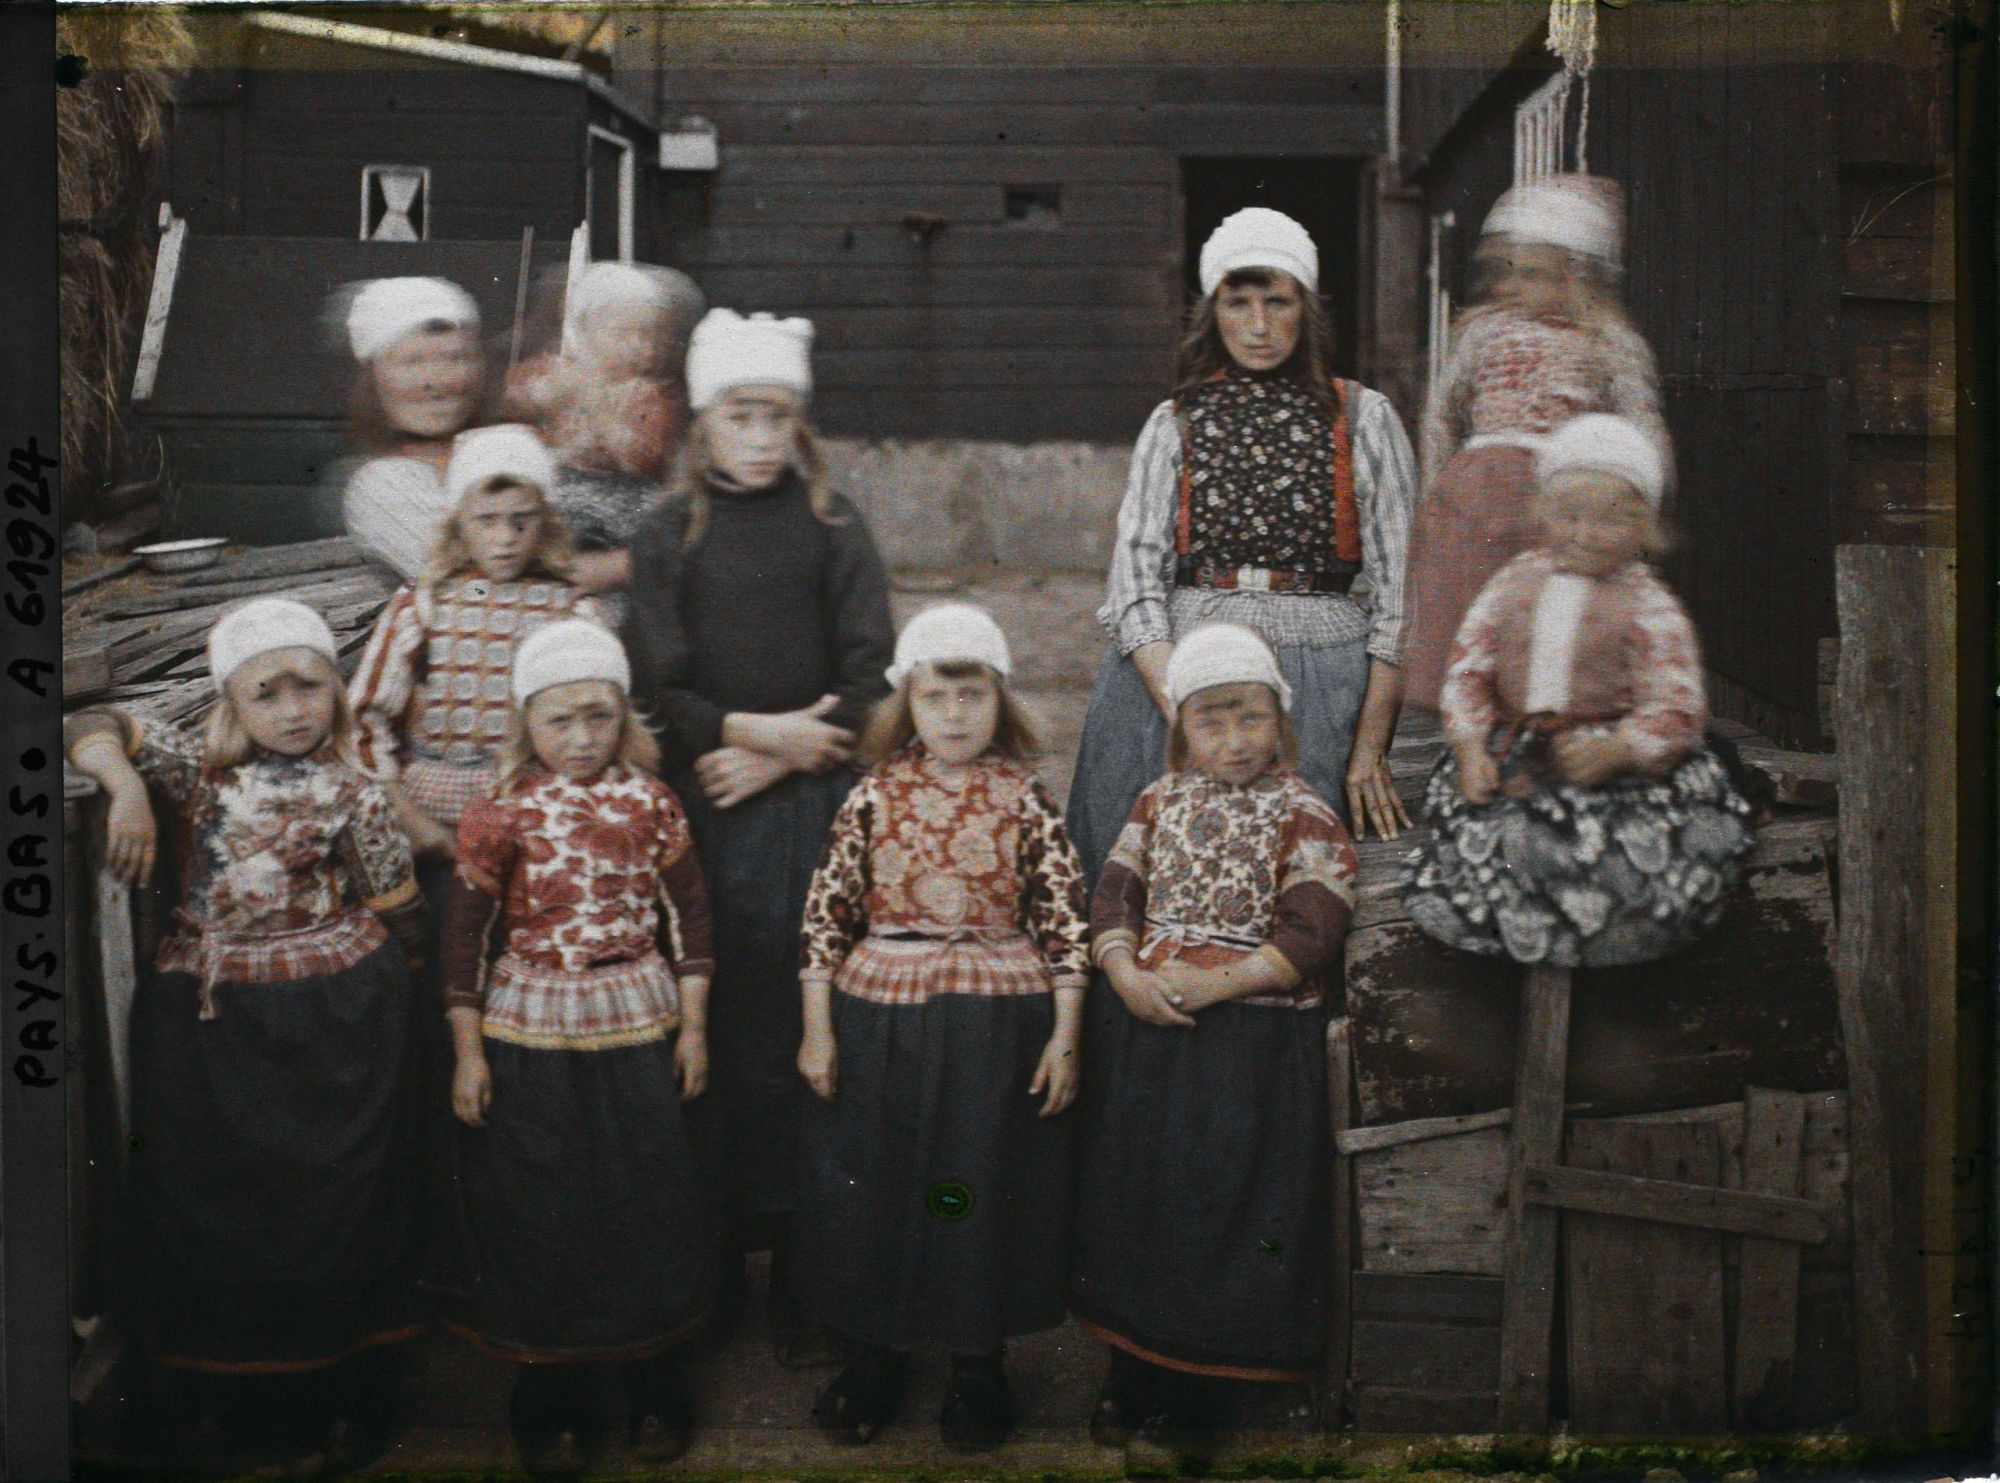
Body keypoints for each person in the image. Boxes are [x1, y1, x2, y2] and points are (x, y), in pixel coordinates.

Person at [65, 599, 427, 1472]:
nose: (294, 709)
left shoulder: (354, 791)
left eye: (312, 686)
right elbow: (90, 718)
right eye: (268, 692)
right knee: (222, 1199)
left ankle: (347, 1393)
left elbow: (397, 906)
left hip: (334, 1017)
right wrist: (124, 790)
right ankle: (237, 1396)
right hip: (215, 1021)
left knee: (331, 1198)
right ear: (232, 702)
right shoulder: (200, 774)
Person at [622, 307, 897, 1363]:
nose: (761, 435)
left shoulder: (832, 523)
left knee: (802, 1017)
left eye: (778, 416)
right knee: (715, 1020)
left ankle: (801, 1259)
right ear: (704, 421)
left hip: (808, 807)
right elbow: (654, 681)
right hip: (704, 808)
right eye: (742, 414)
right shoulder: (667, 532)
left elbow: (873, 670)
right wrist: (733, 732)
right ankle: (715, 1256)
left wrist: (786, 747)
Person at [794, 604, 1091, 1450]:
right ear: (907, 704)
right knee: (880, 1182)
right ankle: (878, 1353)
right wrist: (818, 1030)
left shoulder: (1024, 797)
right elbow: (826, 916)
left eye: (973, 695)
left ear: (1001, 700)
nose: (955, 715)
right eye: (937, 697)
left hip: (994, 1025)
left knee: (974, 1185)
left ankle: (974, 1361)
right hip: (882, 1018)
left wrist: (1064, 1034)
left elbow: (1065, 918)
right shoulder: (875, 794)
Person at [1070, 623, 1358, 1462]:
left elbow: (1312, 930)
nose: (1234, 742)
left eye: (1252, 720)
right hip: (1151, 1041)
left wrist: (1216, 983)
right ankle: (1133, 1369)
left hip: (1248, 1053)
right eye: (1212, 723)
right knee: (1139, 1197)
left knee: (1220, 1208)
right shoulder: (1158, 800)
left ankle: (1198, 1400)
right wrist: (1123, 973)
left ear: (1281, 722)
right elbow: (1114, 895)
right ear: (1181, 731)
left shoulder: (1305, 814)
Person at [438, 619, 717, 1471]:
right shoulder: (503, 810)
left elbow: (692, 918)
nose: (581, 738)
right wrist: (469, 1051)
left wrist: (695, 1027)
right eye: (559, 721)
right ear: (528, 724)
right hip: (531, 1026)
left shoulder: (650, 801)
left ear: (622, 717)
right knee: (542, 1196)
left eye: (597, 717)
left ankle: (652, 1380)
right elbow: (463, 938)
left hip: (634, 1013)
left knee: (645, 1192)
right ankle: (548, 1388)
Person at [1069, 206, 1418, 887]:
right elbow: (1135, 583)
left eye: (1278, 302)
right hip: (1176, 669)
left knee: (1290, 882)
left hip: (1315, 682)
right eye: (1239, 302)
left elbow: (1402, 599)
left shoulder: (1365, 417)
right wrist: (1190, 712)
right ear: (1213, 312)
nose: (1259, 326)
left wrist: (1369, 749)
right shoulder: (1175, 421)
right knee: (1147, 870)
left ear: (1306, 308)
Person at [1402, 414, 1753, 966]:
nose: (1585, 535)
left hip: (1614, 762)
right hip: (1516, 752)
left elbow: (1676, 703)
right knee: (1493, 828)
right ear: (1542, 513)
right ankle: (1514, 930)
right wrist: (1470, 748)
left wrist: (1620, 749)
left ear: (1644, 528)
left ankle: (1602, 939)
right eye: (1569, 516)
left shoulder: (1647, 603)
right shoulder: (1514, 581)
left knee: (1629, 846)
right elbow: (1469, 669)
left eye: (1610, 522)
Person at [1401, 173, 1670, 713]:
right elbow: (1442, 415)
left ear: (1578, 277)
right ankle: (1473, 727)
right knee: (1471, 617)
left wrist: (1641, 503)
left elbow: (1642, 424)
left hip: (1558, 501)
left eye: (1534, 276)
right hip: (1473, 502)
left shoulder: (1608, 341)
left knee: (1546, 617)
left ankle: (1545, 719)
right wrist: (1435, 486)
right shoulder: (1482, 332)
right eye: (1507, 274)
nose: (1513, 288)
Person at [503, 260, 706, 600]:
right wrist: (547, 393)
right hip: (558, 494)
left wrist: (599, 407)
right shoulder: (559, 371)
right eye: (623, 333)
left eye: (650, 334)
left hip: (624, 500)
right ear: (584, 331)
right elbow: (516, 400)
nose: (642, 347)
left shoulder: (649, 393)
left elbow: (641, 457)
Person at [338, 276, 488, 580]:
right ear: (374, 382)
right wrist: (599, 574)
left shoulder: (502, 452)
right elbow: (464, 588)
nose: (434, 380)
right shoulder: (382, 486)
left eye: (454, 358)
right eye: (411, 362)